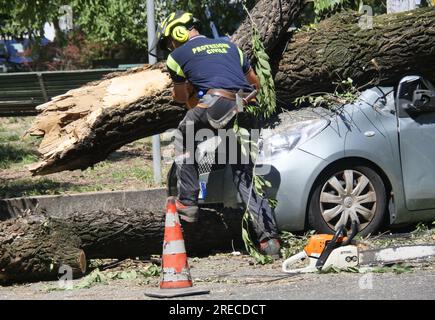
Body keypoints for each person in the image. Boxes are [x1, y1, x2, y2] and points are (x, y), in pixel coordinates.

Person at [155, 11, 280, 257]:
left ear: (178, 32)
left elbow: (181, 99)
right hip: (245, 106)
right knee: (244, 172)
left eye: (170, 40)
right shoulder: (230, 47)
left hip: (216, 103)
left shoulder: (176, 57)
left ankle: (188, 202)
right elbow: (256, 84)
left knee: (183, 135)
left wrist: (187, 92)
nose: (170, 46)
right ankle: (270, 240)